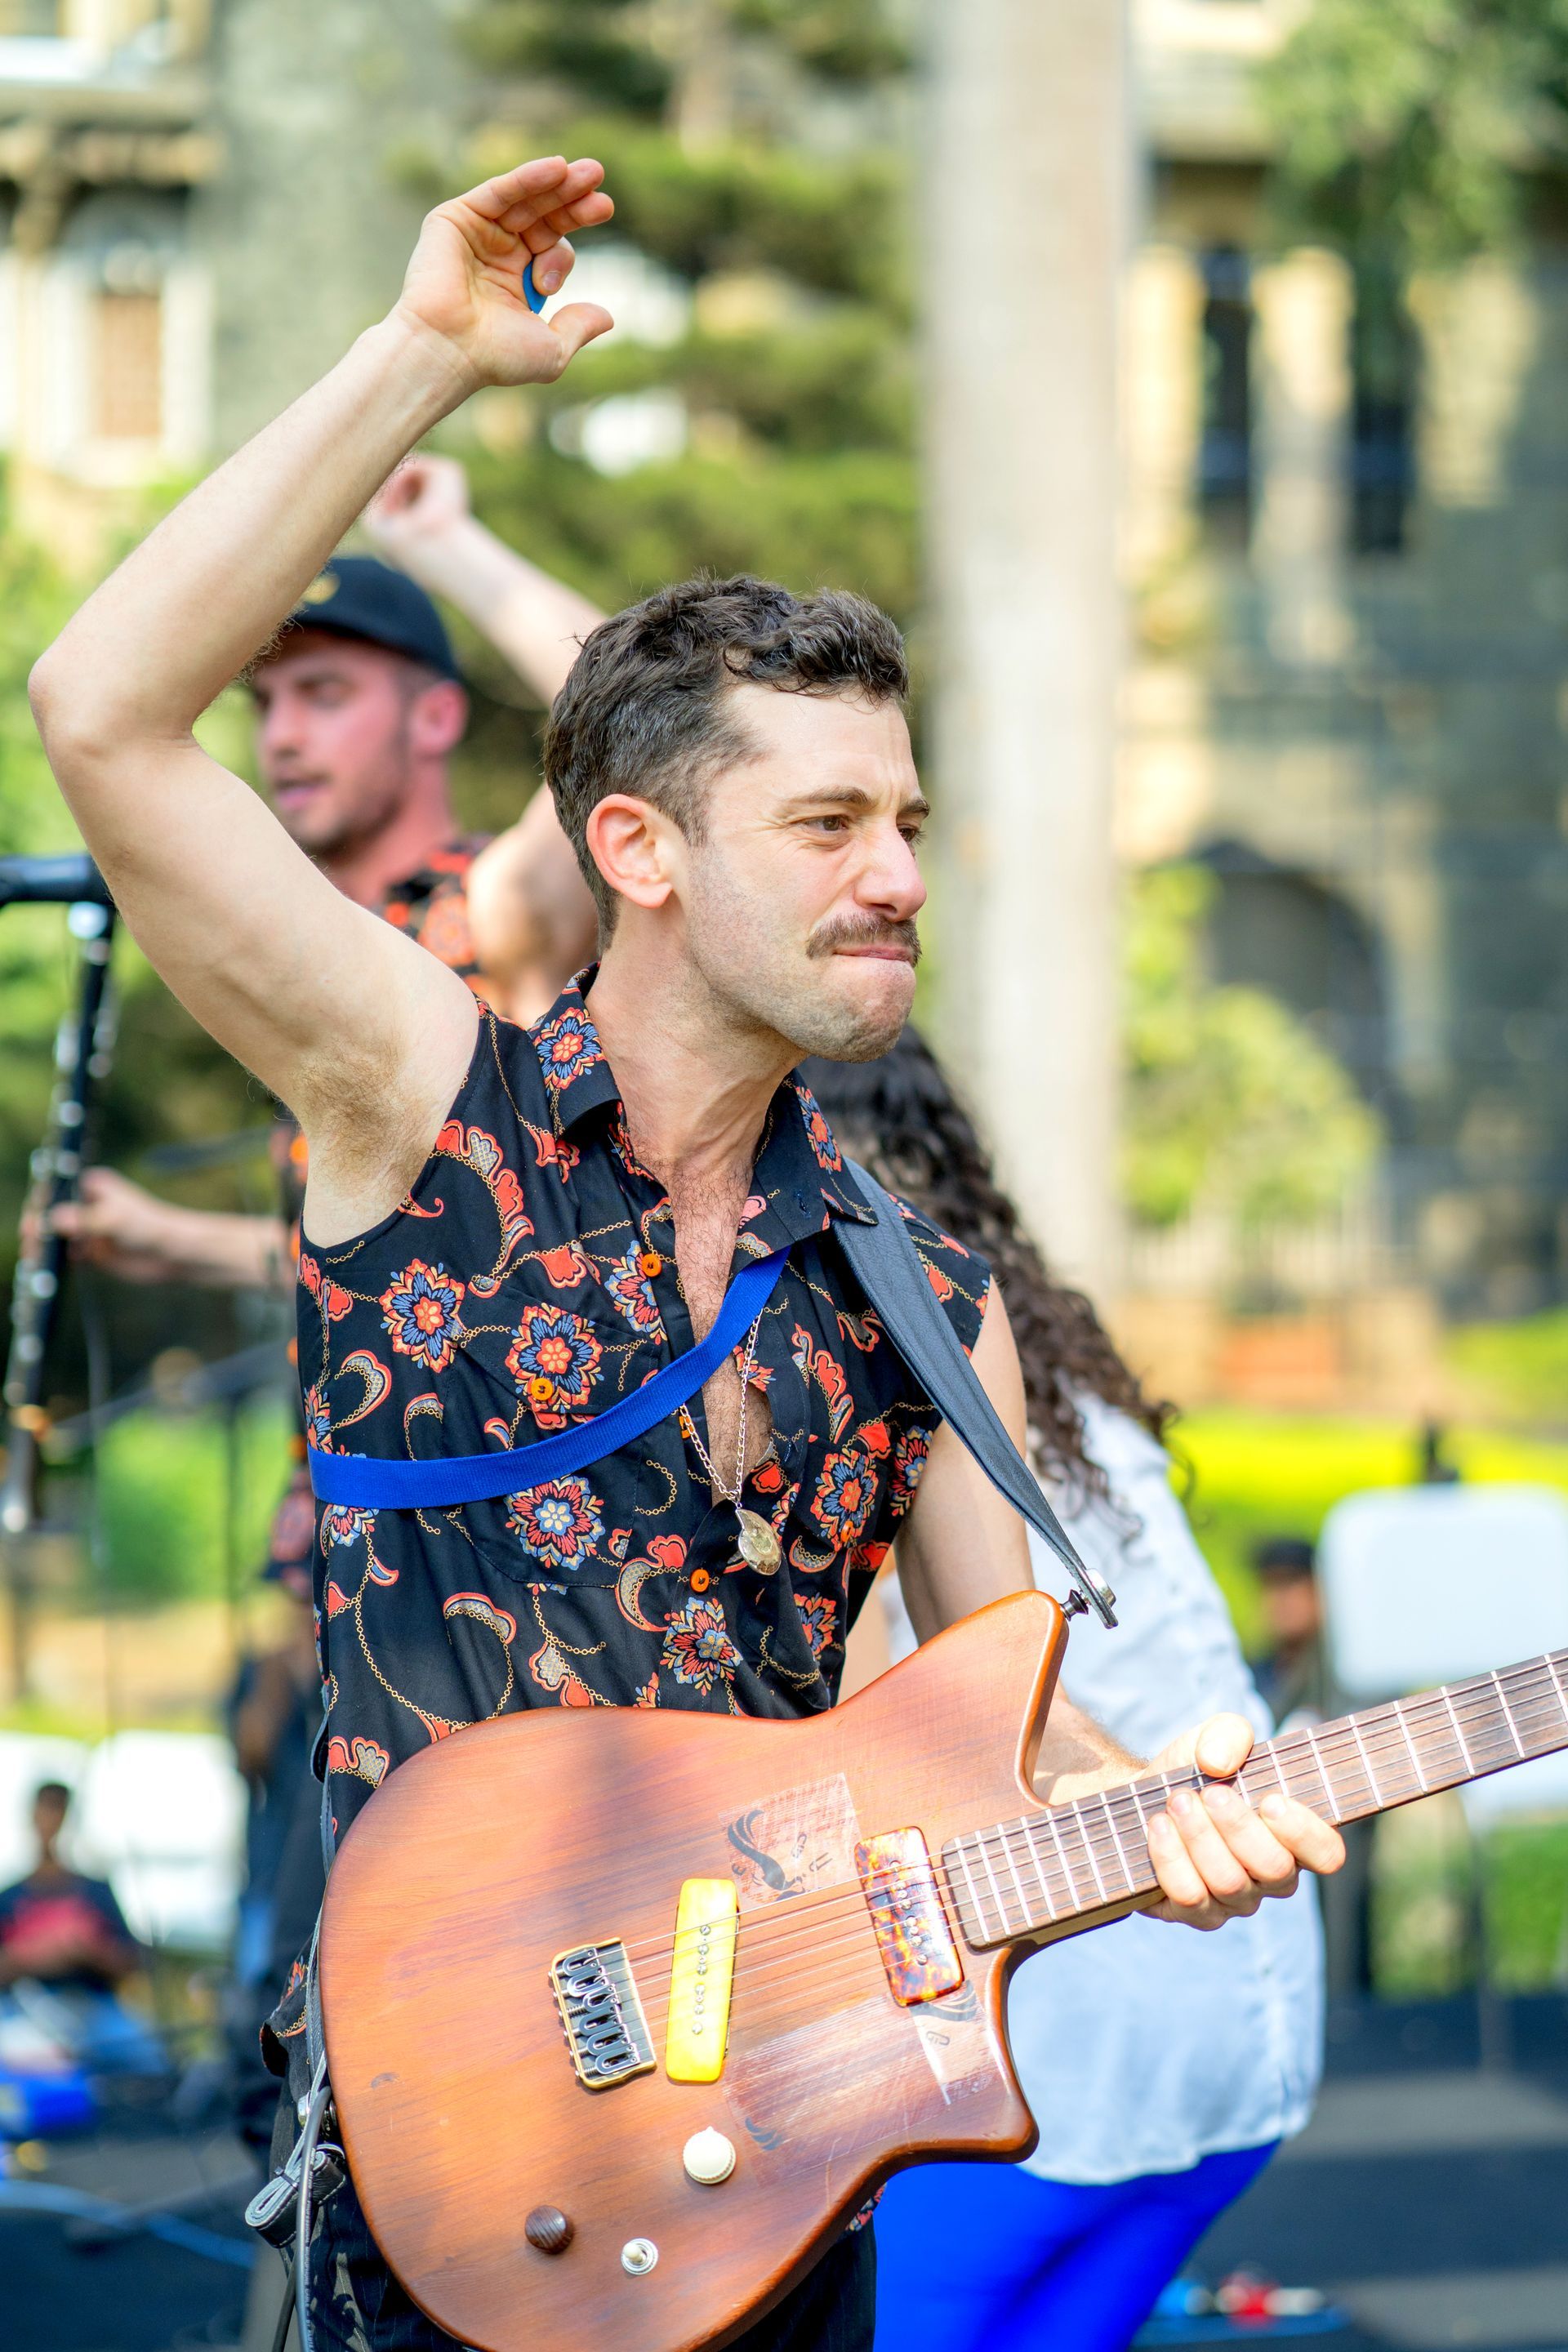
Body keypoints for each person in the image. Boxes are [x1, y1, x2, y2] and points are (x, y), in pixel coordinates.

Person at [28, 153, 1345, 2351]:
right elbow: (102, 709)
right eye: (825, 824)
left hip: (784, 2196)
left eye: (905, 821)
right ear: (635, 851)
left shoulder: (927, 1297)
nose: (894, 873)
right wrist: (421, 355)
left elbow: (1000, 1741)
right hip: (456, 2188)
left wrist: (1184, 1821)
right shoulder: (424, 1101)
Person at [801, 1038, 1324, 2352]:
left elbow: (861, 1733)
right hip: (1249, 2019)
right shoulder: (1064, 1379)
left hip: (1074, 2045)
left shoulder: (875, 1383)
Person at [0, 1782, 161, 2074]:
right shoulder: (9, 1898)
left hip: (94, 2009)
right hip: (21, 2013)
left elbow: (131, 1962)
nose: (50, 1823)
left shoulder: (96, 1891)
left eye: (58, 1811)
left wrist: (86, 1951)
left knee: (151, 2058)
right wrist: (30, 1956)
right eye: (44, 1811)